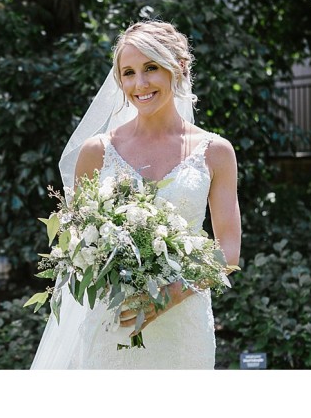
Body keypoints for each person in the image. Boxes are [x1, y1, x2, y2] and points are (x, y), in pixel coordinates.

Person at [31, 20, 241, 369]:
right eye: (128, 73)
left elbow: (228, 252)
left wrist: (162, 299)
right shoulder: (96, 152)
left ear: (179, 68)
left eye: (151, 68)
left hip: (183, 327)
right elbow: (78, 245)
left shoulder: (215, 151)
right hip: (114, 321)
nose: (139, 84)